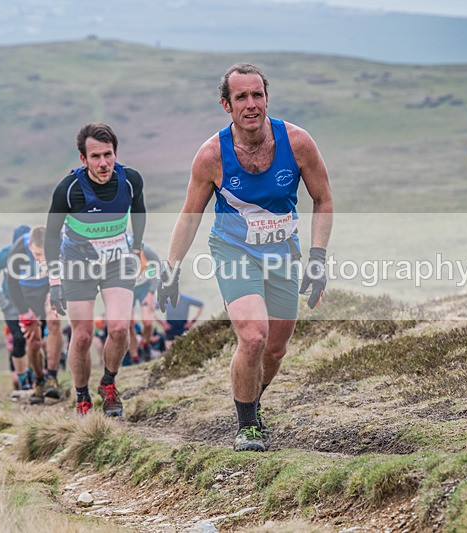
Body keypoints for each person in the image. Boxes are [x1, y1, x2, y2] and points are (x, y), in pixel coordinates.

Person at [157, 63, 333, 452]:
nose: (251, 104)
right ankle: (247, 425)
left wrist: (317, 258)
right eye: (241, 97)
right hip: (234, 250)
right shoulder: (211, 156)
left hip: (283, 251)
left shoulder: (298, 143)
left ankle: (254, 401)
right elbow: (190, 216)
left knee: (275, 349)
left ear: (266, 98)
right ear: (226, 104)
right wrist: (170, 269)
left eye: (257, 95)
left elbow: (323, 199)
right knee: (254, 336)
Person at [44, 122, 148, 417]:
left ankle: (108, 384)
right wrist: (55, 280)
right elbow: (52, 234)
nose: (103, 163)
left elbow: (139, 212)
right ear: (83, 159)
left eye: (108, 154)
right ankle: (81, 397)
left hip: (117, 262)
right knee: (84, 335)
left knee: (118, 328)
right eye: (95, 157)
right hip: (77, 264)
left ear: (115, 153)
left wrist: (137, 249)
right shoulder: (69, 190)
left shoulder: (130, 181)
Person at [5, 226, 62, 405]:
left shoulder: (59, 244)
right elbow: (11, 284)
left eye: (45, 255)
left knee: (54, 323)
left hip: (49, 286)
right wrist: (23, 311)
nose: (41, 260)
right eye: (37, 255)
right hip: (27, 292)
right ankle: (39, 381)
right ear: (30, 247)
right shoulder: (17, 251)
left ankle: (52, 376)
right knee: (33, 339)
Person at [0, 224, 34, 390]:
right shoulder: (5, 254)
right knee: (19, 339)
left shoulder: (38, 252)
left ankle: (37, 376)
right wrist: (3, 303)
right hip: (11, 306)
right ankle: (23, 380)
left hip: (33, 303)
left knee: (35, 340)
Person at [129, 241, 160, 362]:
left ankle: (146, 344)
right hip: (128, 288)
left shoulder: (146, 251)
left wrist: (151, 293)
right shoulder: (119, 254)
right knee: (129, 323)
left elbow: (157, 269)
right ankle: (134, 356)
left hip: (145, 287)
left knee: (147, 322)